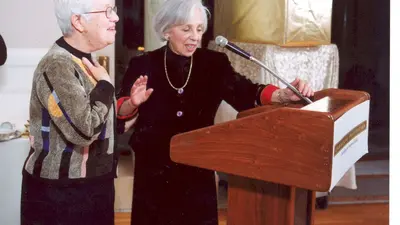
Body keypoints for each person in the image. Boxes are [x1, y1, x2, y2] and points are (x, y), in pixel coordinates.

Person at [116, 0, 314, 224]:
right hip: (154, 171)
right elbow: (122, 111)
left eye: (199, 29)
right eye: (186, 29)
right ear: (167, 30)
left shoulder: (213, 64)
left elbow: (245, 92)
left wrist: (283, 95)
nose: (195, 36)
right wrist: (132, 103)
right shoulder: (143, 64)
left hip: (197, 170)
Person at [21, 0, 119, 224]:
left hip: (90, 187)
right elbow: (83, 131)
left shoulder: (84, 59)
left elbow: (100, 123)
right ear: (78, 21)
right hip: (63, 197)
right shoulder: (57, 65)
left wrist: (129, 105)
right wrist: (105, 86)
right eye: (107, 11)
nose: (116, 18)